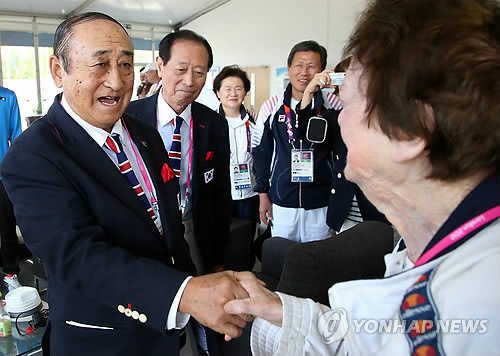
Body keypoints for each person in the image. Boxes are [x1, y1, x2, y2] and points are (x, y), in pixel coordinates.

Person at [225, 0, 500, 355]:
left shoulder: (477, 302)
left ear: (411, 130)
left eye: (351, 101)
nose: (339, 120)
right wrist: (285, 313)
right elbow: (373, 340)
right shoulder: (423, 244)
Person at [0, 12, 256, 356]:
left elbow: (167, 227)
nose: (117, 81)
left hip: (166, 328)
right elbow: (76, 255)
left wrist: (197, 286)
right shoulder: (34, 153)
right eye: (100, 64)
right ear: (59, 71)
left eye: (125, 64)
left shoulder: (144, 134)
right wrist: (184, 293)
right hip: (104, 338)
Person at [126, 30, 232, 274]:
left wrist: (217, 259)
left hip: (193, 230)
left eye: (199, 72)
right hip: (142, 234)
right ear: (161, 65)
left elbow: (220, 195)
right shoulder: (129, 117)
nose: (189, 81)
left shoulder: (213, 123)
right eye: (181, 69)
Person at [252, 40, 342, 243]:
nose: (304, 72)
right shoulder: (272, 106)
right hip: (282, 201)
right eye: (299, 65)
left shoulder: (333, 104)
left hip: (321, 202)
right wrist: (262, 193)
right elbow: (260, 152)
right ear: (289, 68)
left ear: (322, 70)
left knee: (316, 261)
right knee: (282, 259)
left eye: (311, 66)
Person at [297, 57, 388, 234]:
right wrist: (309, 92)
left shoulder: (387, 117)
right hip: (344, 214)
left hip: (379, 213)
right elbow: (306, 133)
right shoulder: (337, 118)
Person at [213, 65, 259, 271]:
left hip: (249, 193)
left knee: (246, 240)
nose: (233, 93)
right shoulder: (210, 123)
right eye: (227, 88)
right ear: (218, 92)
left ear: (245, 92)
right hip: (220, 194)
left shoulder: (256, 122)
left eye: (238, 88)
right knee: (220, 242)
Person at [0, 85, 22, 292]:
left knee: (7, 228)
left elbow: (16, 136)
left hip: (2, 175)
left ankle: (10, 273)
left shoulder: (8, 97)